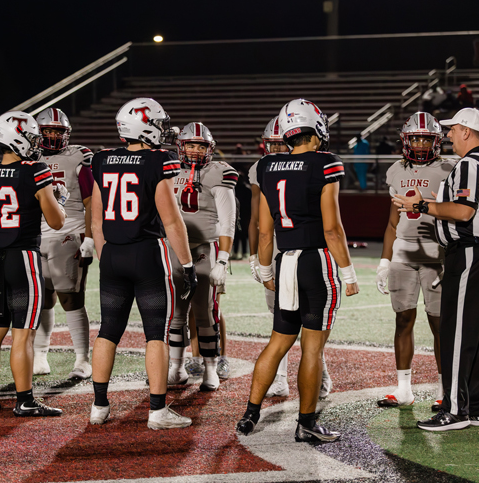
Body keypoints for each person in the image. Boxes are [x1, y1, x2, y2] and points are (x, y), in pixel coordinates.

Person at [236, 99, 359, 443]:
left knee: (278, 342)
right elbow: (332, 228)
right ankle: (306, 423)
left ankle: (250, 414)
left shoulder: (267, 166)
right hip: (316, 261)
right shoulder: (326, 163)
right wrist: (348, 272)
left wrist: (264, 269)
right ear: (316, 129)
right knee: (312, 349)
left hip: (284, 260)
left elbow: (264, 231)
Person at [393, 108, 479, 431]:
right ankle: (478, 407)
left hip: (470, 252)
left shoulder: (470, 164)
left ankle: (454, 410)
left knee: (456, 332)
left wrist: (422, 205)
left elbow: (463, 211)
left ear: (467, 131)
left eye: (453, 129)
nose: (448, 135)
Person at [89, 97, 197, 429]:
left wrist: (107, 256)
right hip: (147, 255)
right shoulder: (157, 160)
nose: (164, 131)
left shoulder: (103, 159)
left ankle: (99, 407)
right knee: (156, 334)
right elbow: (172, 220)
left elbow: (96, 221)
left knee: (108, 331)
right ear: (145, 127)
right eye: (160, 125)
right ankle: (157, 411)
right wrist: (188, 265)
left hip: (112, 254)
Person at [0, 111, 66, 417]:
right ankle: (24, 400)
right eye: (31, 138)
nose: (36, 144)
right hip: (22, 258)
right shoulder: (35, 171)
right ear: (17, 138)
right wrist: (59, 200)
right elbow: (56, 221)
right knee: (23, 333)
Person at [248, 116, 334, 401]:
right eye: (270, 144)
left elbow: (262, 224)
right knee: (294, 328)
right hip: (291, 251)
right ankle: (286, 384)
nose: (275, 150)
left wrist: (261, 261)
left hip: (288, 252)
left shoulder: (280, 166)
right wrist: (255, 256)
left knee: (296, 328)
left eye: (279, 143)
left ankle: (318, 374)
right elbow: (257, 218)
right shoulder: (267, 166)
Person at [375, 112, 454, 410]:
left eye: (426, 139)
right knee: (403, 319)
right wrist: (385, 261)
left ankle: (445, 390)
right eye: (416, 139)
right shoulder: (396, 170)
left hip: (436, 252)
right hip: (403, 254)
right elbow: (392, 222)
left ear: (437, 142)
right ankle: (404, 389)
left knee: (439, 323)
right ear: (405, 140)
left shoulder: (450, 168)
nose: (420, 144)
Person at [166, 122, 237, 392]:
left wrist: (223, 260)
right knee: (175, 312)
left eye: (201, 145)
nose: (195, 150)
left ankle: (210, 368)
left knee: (205, 311)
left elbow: (228, 221)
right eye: (191, 145)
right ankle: (176, 368)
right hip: (173, 247)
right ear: (180, 146)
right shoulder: (169, 168)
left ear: (210, 148)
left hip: (205, 247)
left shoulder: (219, 172)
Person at [30, 107, 95, 380]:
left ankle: (82, 359)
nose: (53, 136)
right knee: (43, 298)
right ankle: (40, 355)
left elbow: (92, 200)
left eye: (58, 131)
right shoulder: (29, 156)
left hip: (70, 231)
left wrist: (90, 237)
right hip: (36, 235)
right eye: (48, 131)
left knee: (70, 297)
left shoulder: (78, 156)